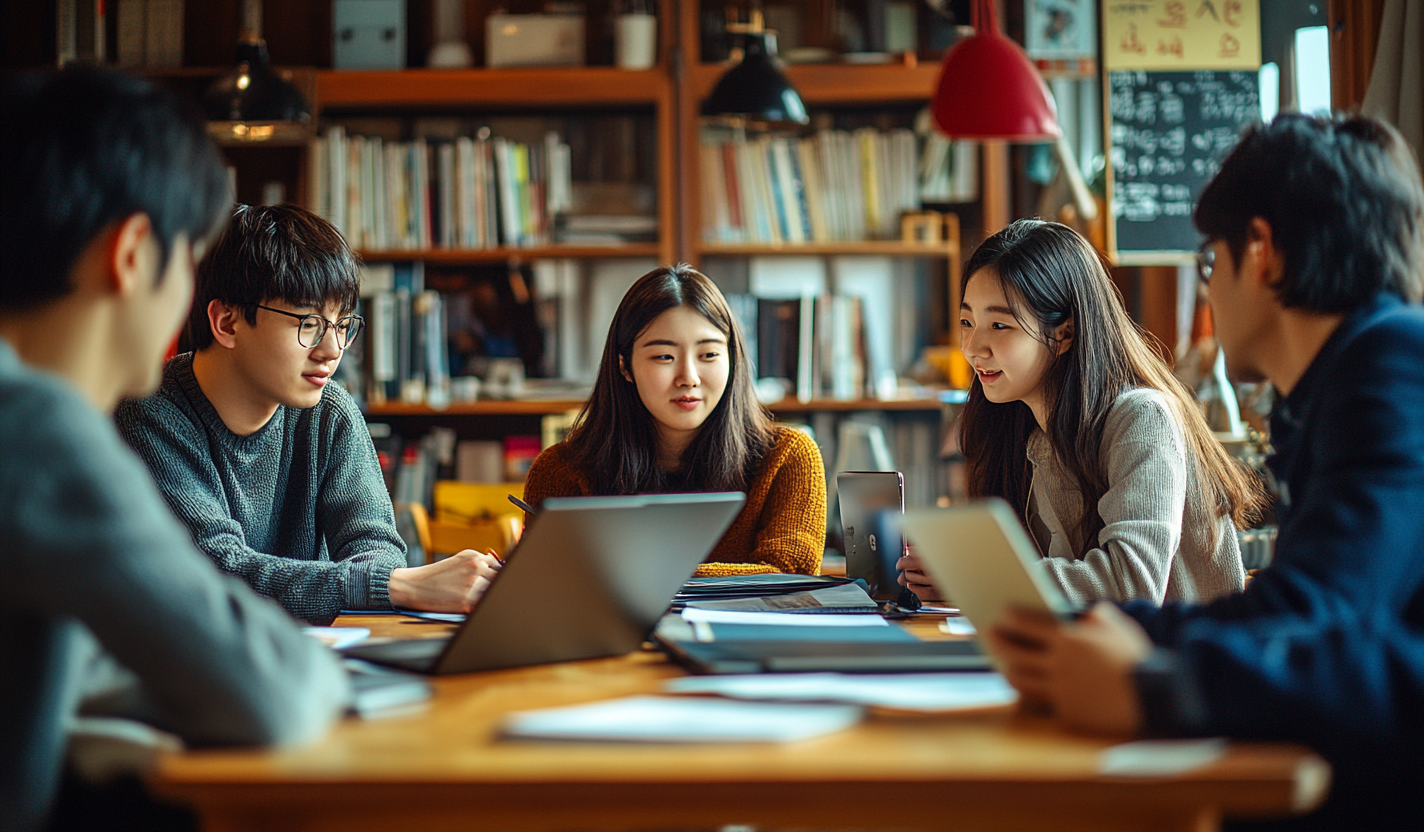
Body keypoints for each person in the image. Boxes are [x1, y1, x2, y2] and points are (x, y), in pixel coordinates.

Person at [989, 115, 1424, 831]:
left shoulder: (1391, 363)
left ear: (1261, 252)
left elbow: (1325, 617)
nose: (1209, 294)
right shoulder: (1333, 388)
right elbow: (1288, 609)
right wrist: (1107, 631)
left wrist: (1154, 683)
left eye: (1207, 263)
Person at [0, 68, 349, 832]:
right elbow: (274, 694)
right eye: (187, 262)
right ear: (131, 255)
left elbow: (87, 668)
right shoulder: (37, 429)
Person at [115, 204, 501, 625]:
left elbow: (375, 548)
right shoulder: (149, 414)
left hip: (320, 661)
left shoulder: (329, 412)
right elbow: (216, 574)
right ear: (227, 322)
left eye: (342, 325)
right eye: (309, 323)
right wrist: (397, 585)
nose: (332, 351)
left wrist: (385, 578)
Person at [899, 219, 1264, 606]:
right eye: (967, 322)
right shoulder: (1025, 427)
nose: (973, 347)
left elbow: (1134, 584)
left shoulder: (1142, 418)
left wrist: (976, 577)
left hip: (1176, 660)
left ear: (1065, 333)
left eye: (1000, 325)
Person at [523, 264, 826, 576]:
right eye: (664, 357)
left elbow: (790, 575)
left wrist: (632, 578)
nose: (689, 378)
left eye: (708, 355)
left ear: (732, 359)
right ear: (625, 367)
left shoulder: (787, 456)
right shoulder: (560, 471)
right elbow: (548, 589)